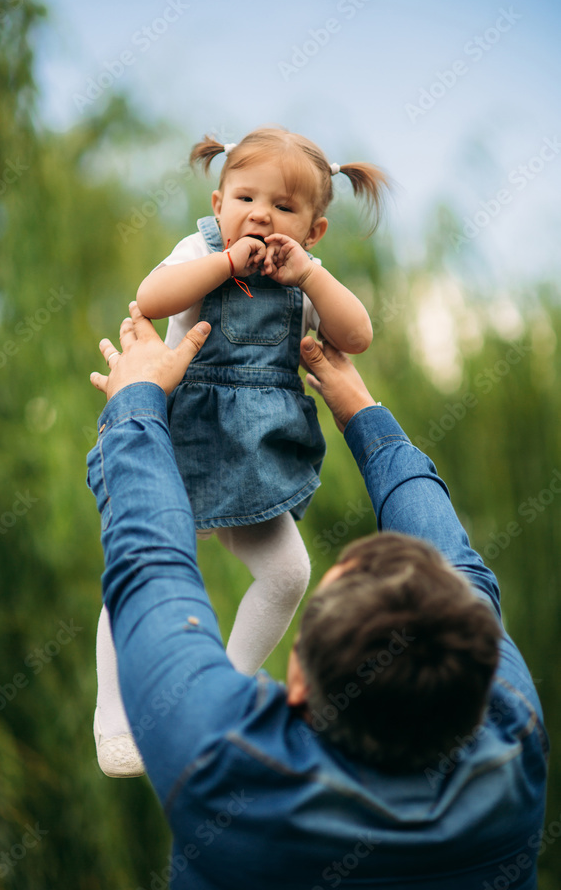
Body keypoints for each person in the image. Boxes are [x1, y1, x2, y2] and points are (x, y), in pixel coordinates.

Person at [87, 305, 548, 890]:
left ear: (298, 681)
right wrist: (362, 411)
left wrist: (135, 403)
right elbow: (461, 572)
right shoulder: (512, 739)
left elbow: (149, 563)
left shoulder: (226, 774)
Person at [94, 126, 390, 776]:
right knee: (138, 572)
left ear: (312, 231)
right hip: (178, 443)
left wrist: (308, 276)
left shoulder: (302, 278)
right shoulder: (197, 251)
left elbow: (357, 334)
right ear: (218, 200)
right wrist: (225, 264)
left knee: (287, 573)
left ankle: (225, 690)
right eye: (244, 198)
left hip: (254, 461)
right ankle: (113, 719)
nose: (259, 216)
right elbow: (151, 297)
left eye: (283, 208)